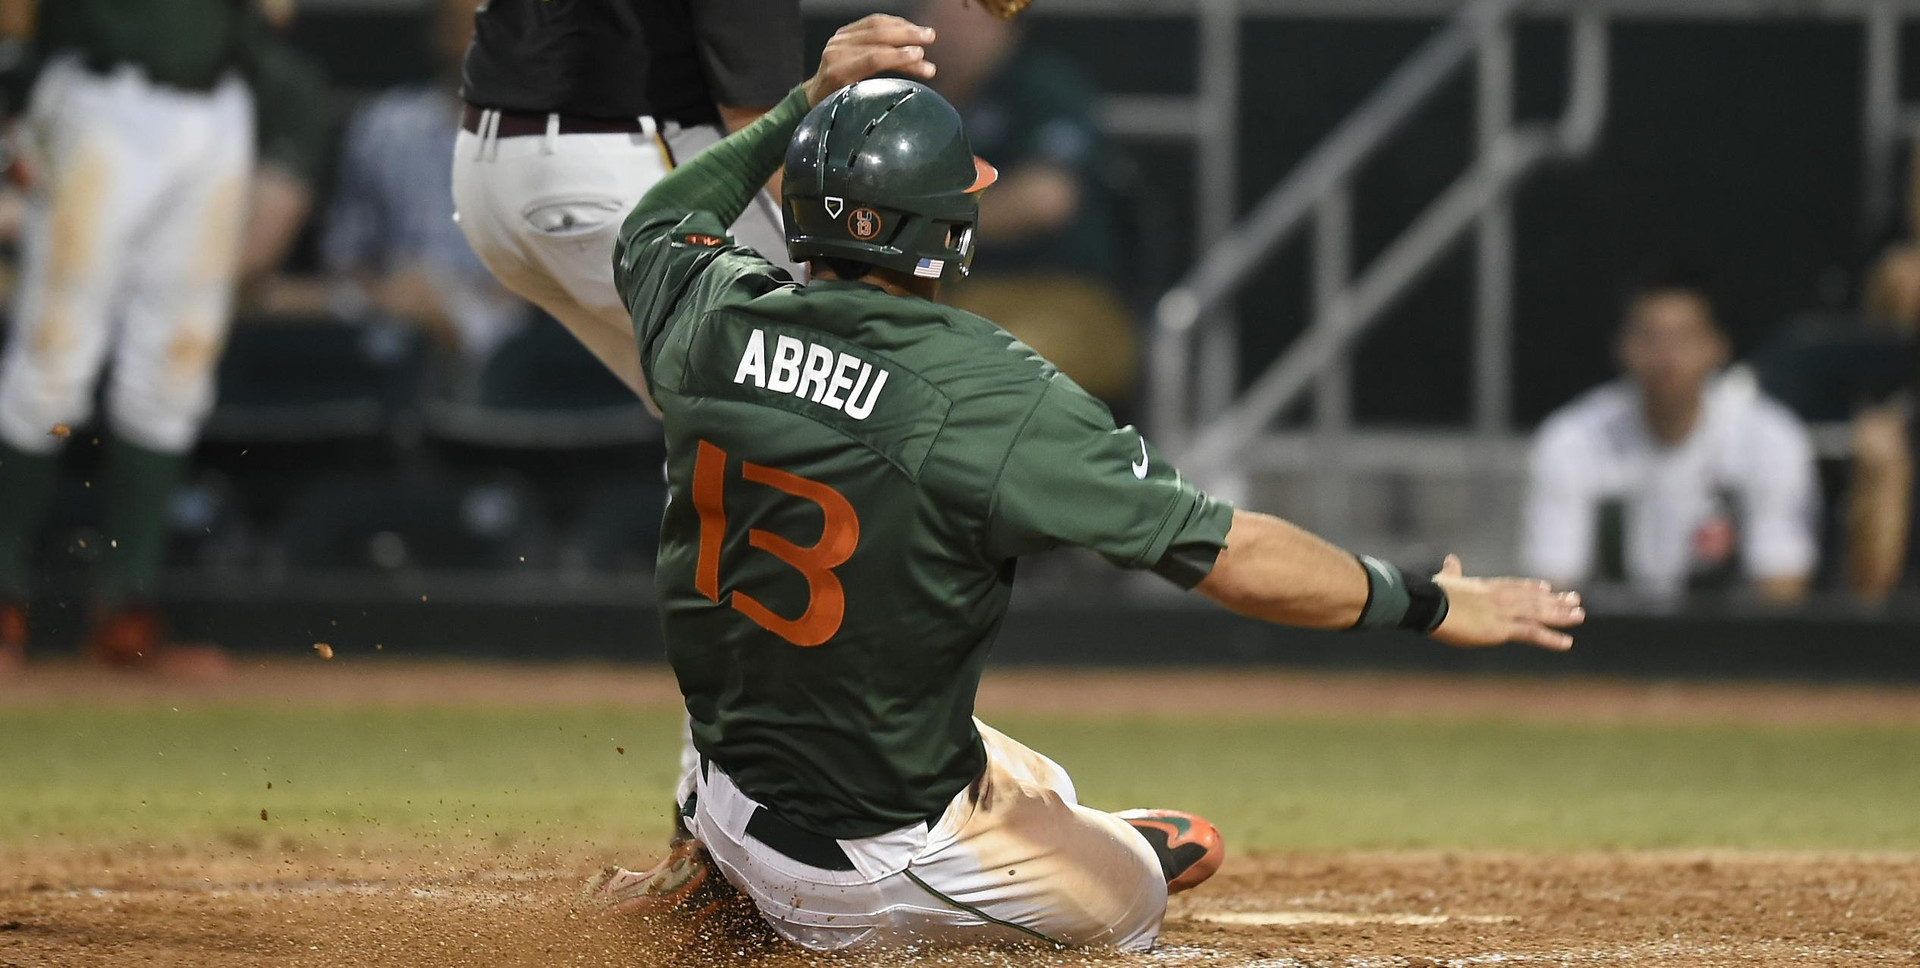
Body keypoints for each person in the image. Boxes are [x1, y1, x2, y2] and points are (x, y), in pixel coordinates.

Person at [576, 15, 1583, 953]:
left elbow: (660, 220)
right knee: (1136, 898)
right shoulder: (988, 391)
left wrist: (806, 100)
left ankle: (726, 871)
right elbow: (1234, 559)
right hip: (867, 864)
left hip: (721, 792)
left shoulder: (709, 317)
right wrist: (1431, 599)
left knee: (1006, 765)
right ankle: (1048, 862)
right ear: (946, 226)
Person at [0, 0, 271, 676]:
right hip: (101, 98)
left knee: (175, 367)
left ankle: (128, 611)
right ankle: (4, 602)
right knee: (53, 361)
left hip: (216, 103)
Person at [451, 0, 804, 405]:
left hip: (484, 165)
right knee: (840, 354)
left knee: (714, 423)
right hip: (609, 161)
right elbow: (756, 110)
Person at [1523, 272, 1820, 605]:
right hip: (1609, 643)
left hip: (1734, 645)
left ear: (1718, 346)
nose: (1666, 357)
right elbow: (1553, 585)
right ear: (1622, 347)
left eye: (1683, 338)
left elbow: (1782, 588)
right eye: (1650, 338)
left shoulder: (1772, 438)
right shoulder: (1571, 438)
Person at [913, 0, 1136, 403]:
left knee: (993, 366)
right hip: (945, 296)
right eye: (936, 12)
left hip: (1060, 294)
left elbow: (1046, 200)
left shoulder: (1040, 86)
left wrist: (926, 225)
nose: (949, 28)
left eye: (965, 15)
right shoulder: (905, 99)